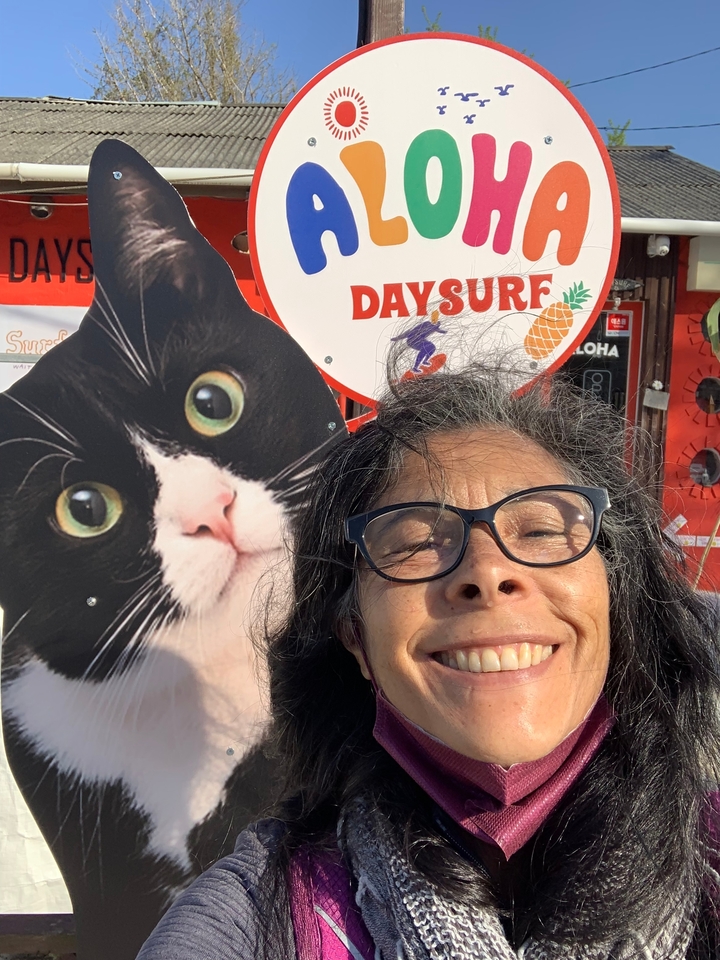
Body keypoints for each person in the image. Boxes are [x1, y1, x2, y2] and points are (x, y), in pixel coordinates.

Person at [138, 365, 720, 960]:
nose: (488, 573)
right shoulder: (256, 917)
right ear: (355, 638)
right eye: (416, 544)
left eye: (543, 530)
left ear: (616, 595)